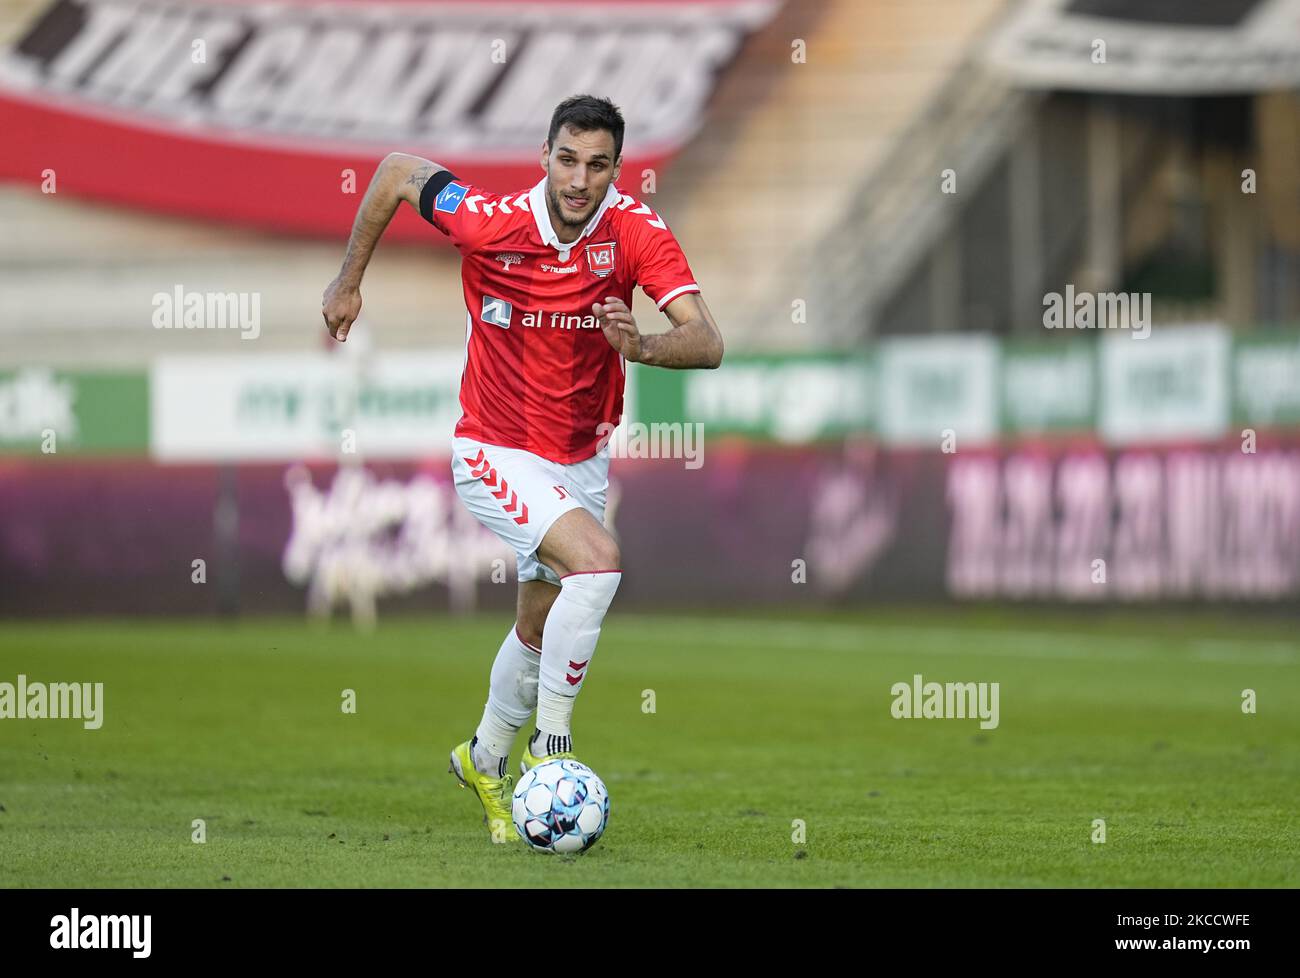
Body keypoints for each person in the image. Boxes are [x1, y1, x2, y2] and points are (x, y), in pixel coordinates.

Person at [322, 94, 723, 842]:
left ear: (615, 170)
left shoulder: (634, 232)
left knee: (538, 630)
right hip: (492, 449)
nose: (579, 179)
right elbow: (395, 173)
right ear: (544, 157)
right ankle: (553, 749)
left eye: (597, 165)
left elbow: (707, 341)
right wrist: (349, 281)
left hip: (582, 457)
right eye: (567, 159)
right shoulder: (489, 220)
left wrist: (641, 347)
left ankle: (483, 757)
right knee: (598, 566)